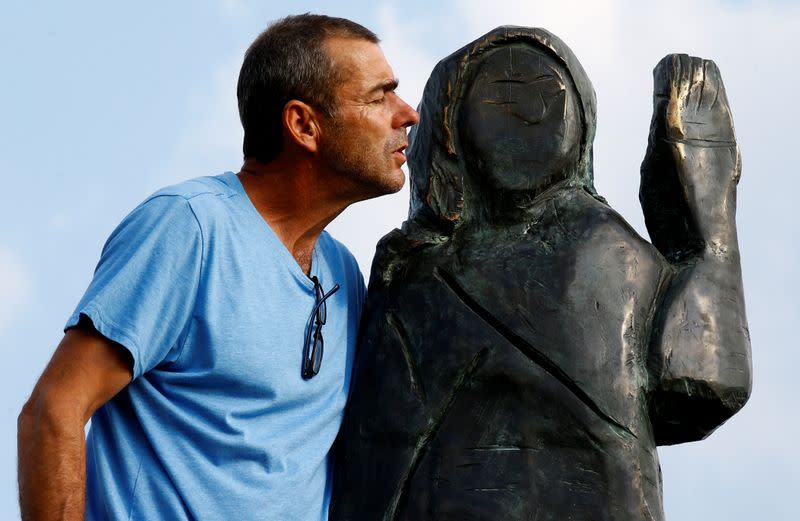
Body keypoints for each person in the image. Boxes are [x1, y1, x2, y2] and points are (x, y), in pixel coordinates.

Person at [330, 27, 750, 520]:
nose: (527, 114)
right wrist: (709, 233)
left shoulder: (620, 257)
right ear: (451, 128)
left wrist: (706, 230)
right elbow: (381, 446)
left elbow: (704, 386)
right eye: (503, 97)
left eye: (544, 95)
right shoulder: (415, 273)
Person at [17, 13, 418, 521]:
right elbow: (52, 413)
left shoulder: (344, 272)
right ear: (303, 125)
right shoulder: (189, 228)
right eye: (378, 96)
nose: (407, 113)